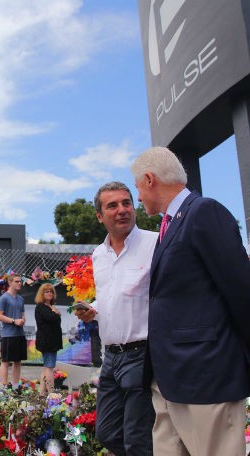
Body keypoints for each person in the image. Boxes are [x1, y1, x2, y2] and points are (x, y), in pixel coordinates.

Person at [131, 146, 250, 456]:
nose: (138, 198)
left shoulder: (204, 212)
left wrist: (246, 351)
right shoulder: (171, 225)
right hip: (169, 378)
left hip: (206, 376)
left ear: (150, 179)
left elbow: (242, 289)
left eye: (137, 187)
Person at [76, 181, 158, 456]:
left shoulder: (155, 243)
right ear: (100, 216)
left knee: (137, 438)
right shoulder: (99, 255)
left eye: (126, 203)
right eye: (112, 205)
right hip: (110, 358)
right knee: (107, 432)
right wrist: (93, 310)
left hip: (142, 354)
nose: (122, 210)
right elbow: (112, 296)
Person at [0, 273, 27, 387]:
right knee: (5, 361)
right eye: (17, 281)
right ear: (10, 282)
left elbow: (23, 315)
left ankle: (15, 386)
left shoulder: (20, 299)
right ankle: (3, 387)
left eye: (20, 281)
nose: (19, 283)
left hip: (20, 334)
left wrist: (23, 320)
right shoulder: (4, 298)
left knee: (18, 361)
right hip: (8, 335)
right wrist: (14, 321)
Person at [34, 282, 63, 396]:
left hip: (51, 341)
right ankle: (51, 393)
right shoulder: (41, 307)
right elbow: (51, 318)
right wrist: (56, 313)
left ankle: (42, 392)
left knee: (46, 366)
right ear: (42, 294)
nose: (49, 293)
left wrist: (56, 313)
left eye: (51, 291)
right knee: (50, 367)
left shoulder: (50, 307)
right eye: (46, 291)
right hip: (47, 342)